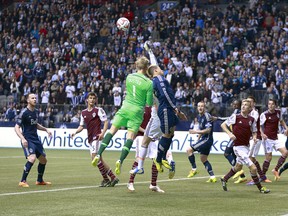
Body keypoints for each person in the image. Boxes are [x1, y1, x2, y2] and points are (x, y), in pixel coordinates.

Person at [92, 56, 153, 175]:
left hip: (125, 107)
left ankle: (98, 154)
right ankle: (120, 160)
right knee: (130, 137)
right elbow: (149, 103)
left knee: (112, 130)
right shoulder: (149, 83)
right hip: (137, 111)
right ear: (146, 67)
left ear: (137, 65)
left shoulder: (129, 77)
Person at [146, 42, 187, 173]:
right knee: (166, 134)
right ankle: (159, 159)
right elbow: (165, 95)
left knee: (171, 133)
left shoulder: (157, 80)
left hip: (167, 108)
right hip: (166, 109)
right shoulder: (159, 80)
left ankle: (162, 157)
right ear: (156, 71)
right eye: (160, 68)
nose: (163, 69)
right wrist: (176, 109)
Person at [220, 99, 270, 193]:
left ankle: (225, 179)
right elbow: (223, 125)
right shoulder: (235, 117)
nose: (243, 106)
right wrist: (230, 134)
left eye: (246, 105)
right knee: (253, 167)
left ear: (250, 108)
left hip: (246, 147)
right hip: (238, 147)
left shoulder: (252, 120)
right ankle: (261, 188)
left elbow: (254, 131)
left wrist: (255, 137)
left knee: (238, 167)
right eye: (243, 104)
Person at [71, 92, 119, 187]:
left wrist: (102, 133)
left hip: (97, 137)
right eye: (90, 98)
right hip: (90, 138)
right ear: (87, 100)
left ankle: (106, 180)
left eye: (93, 98)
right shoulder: (83, 113)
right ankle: (113, 177)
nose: (92, 100)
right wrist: (75, 132)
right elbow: (81, 126)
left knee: (95, 158)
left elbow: (105, 122)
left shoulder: (98, 110)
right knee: (99, 159)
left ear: (95, 100)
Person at [127, 106, 172, 193]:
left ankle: (153, 184)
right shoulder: (139, 108)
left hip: (153, 136)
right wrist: (148, 132)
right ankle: (130, 182)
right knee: (138, 159)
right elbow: (136, 125)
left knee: (156, 159)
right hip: (141, 137)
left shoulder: (155, 108)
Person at [15, 93, 52, 187]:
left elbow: (36, 124)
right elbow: (16, 127)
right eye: (32, 98)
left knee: (43, 160)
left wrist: (46, 129)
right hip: (28, 139)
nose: (35, 99)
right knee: (32, 158)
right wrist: (22, 139)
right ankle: (22, 181)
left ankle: (39, 181)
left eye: (36, 98)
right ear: (28, 100)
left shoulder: (35, 111)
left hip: (36, 140)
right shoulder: (24, 112)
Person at [217, 99, 247, 184]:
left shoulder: (237, 111)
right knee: (234, 155)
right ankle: (242, 177)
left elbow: (228, 119)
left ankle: (238, 170)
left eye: (235, 104)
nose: (233, 105)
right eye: (233, 104)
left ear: (238, 105)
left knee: (226, 153)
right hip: (236, 135)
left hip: (235, 136)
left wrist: (218, 118)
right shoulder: (236, 111)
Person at [186, 101, 217, 183]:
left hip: (207, 139)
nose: (200, 108)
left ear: (204, 107)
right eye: (199, 106)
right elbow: (201, 129)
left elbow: (208, 130)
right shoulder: (199, 116)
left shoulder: (207, 116)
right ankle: (212, 177)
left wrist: (195, 132)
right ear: (197, 107)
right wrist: (198, 139)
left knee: (189, 150)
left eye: (202, 106)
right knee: (203, 158)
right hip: (205, 139)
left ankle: (194, 169)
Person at [260, 99, 288, 181]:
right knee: (269, 158)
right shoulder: (264, 114)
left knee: (285, 153)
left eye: (272, 104)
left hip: (275, 138)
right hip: (267, 139)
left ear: (275, 105)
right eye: (269, 104)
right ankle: (263, 176)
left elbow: (281, 121)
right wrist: (262, 134)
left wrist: (286, 128)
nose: (270, 105)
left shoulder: (278, 112)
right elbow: (259, 125)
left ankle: (275, 170)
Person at [246, 96, 271, 185]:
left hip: (256, 138)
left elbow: (252, 125)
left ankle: (256, 178)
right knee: (251, 158)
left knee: (250, 158)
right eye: (247, 101)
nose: (249, 103)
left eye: (250, 102)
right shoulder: (247, 113)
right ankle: (261, 176)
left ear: (254, 103)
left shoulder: (254, 113)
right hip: (251, 138)